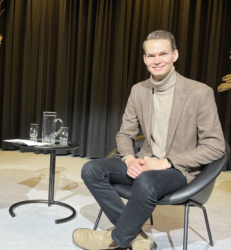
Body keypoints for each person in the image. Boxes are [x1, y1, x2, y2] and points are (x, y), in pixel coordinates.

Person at [72, 30, 225, 250]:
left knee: (145, 181)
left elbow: (215, 146)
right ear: (144, 59)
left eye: (163, 54)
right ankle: (138, 237)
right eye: (151, 56)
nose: (157, 60)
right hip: (145, 160)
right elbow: (125, 134)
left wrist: (166, 162)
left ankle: (117, 239)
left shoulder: (200, 92)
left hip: (178, 169)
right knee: (91, 169)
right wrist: (129, 159)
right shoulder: (138, 90)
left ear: (175, 55)